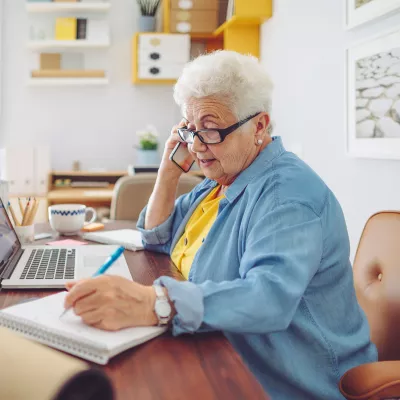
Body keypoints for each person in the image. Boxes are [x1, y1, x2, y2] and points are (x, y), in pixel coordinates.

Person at [64, 51, 377, 399]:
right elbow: (155, 236)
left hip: (287, 379)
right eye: (189, 129)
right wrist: (168, 171)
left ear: (259, 126)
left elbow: (268, 297)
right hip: (221, 348)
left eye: (210, 130)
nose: (197, 146)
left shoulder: (288, 196)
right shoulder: (221, 179)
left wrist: (155, 303)